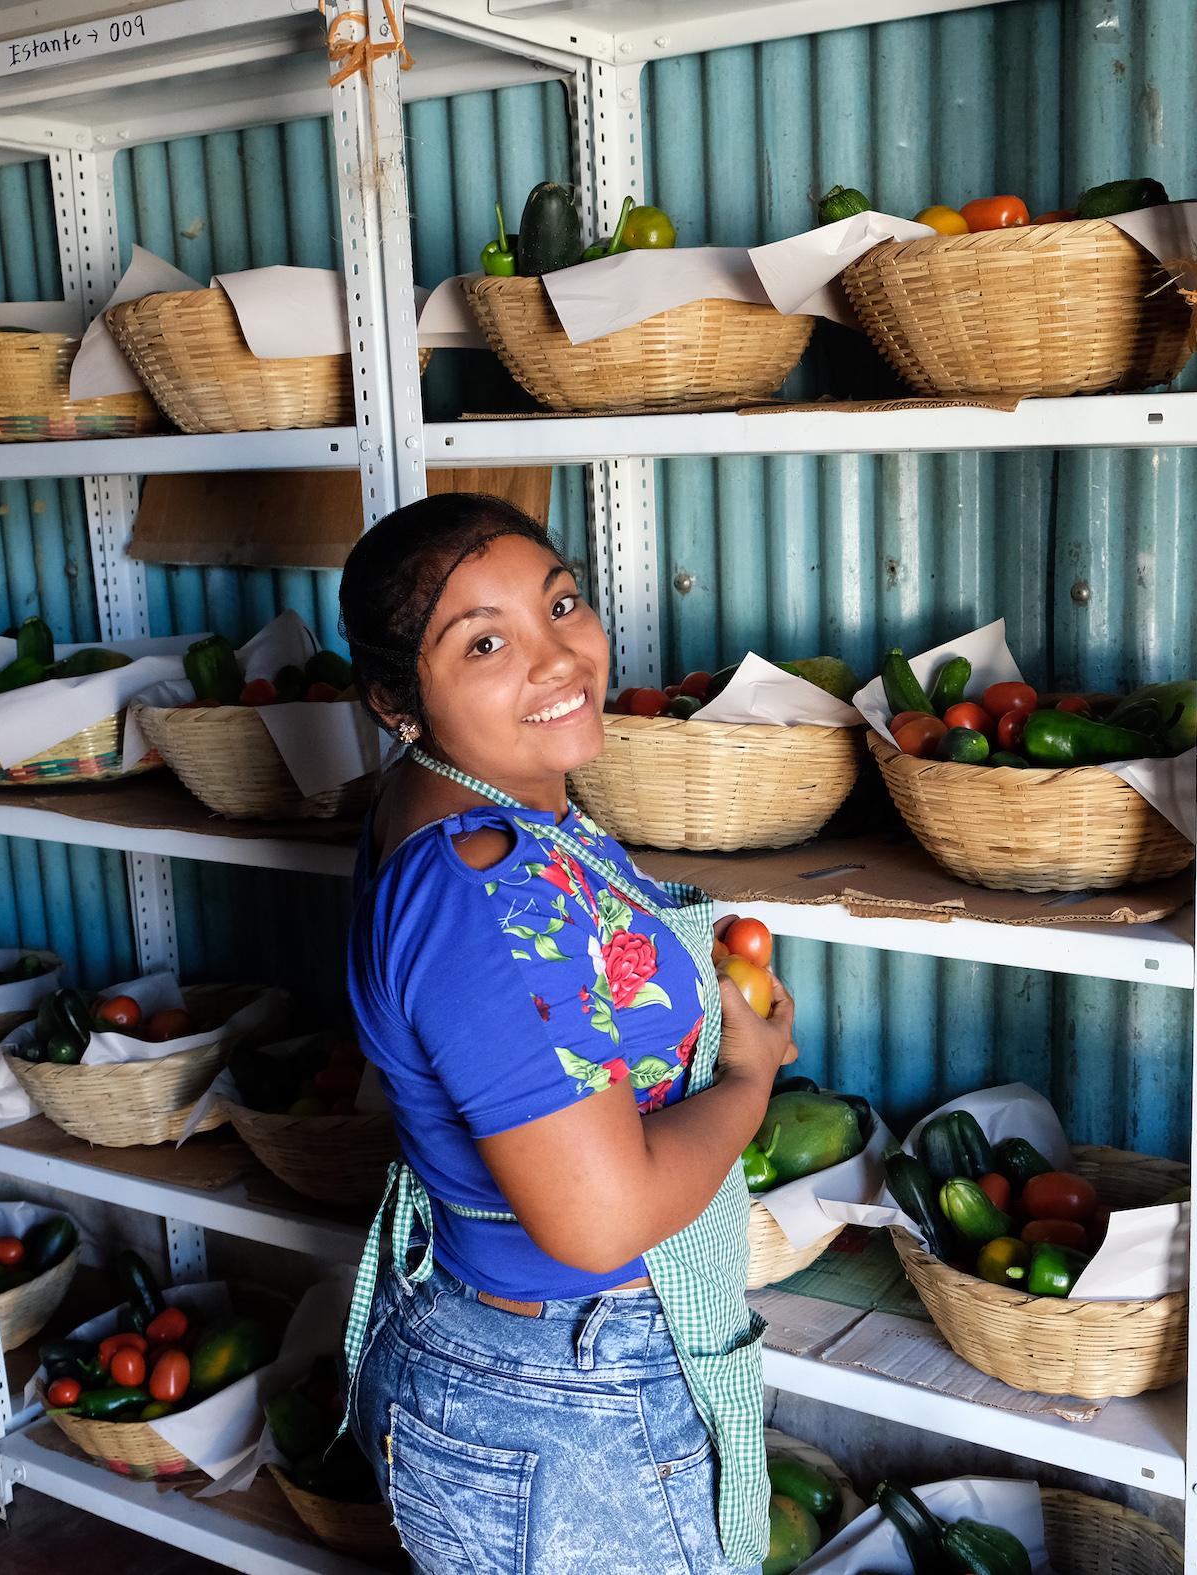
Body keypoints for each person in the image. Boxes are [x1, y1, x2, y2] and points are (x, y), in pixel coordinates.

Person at [337, 491, 793, 1574]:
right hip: (568, 1394)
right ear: (398, 697)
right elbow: (601, 1223)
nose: (560, 659)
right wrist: (751, 1074)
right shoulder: (488, 884)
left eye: (563, 605)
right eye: (485, 641)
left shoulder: (443, 801)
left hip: (498, 1355)